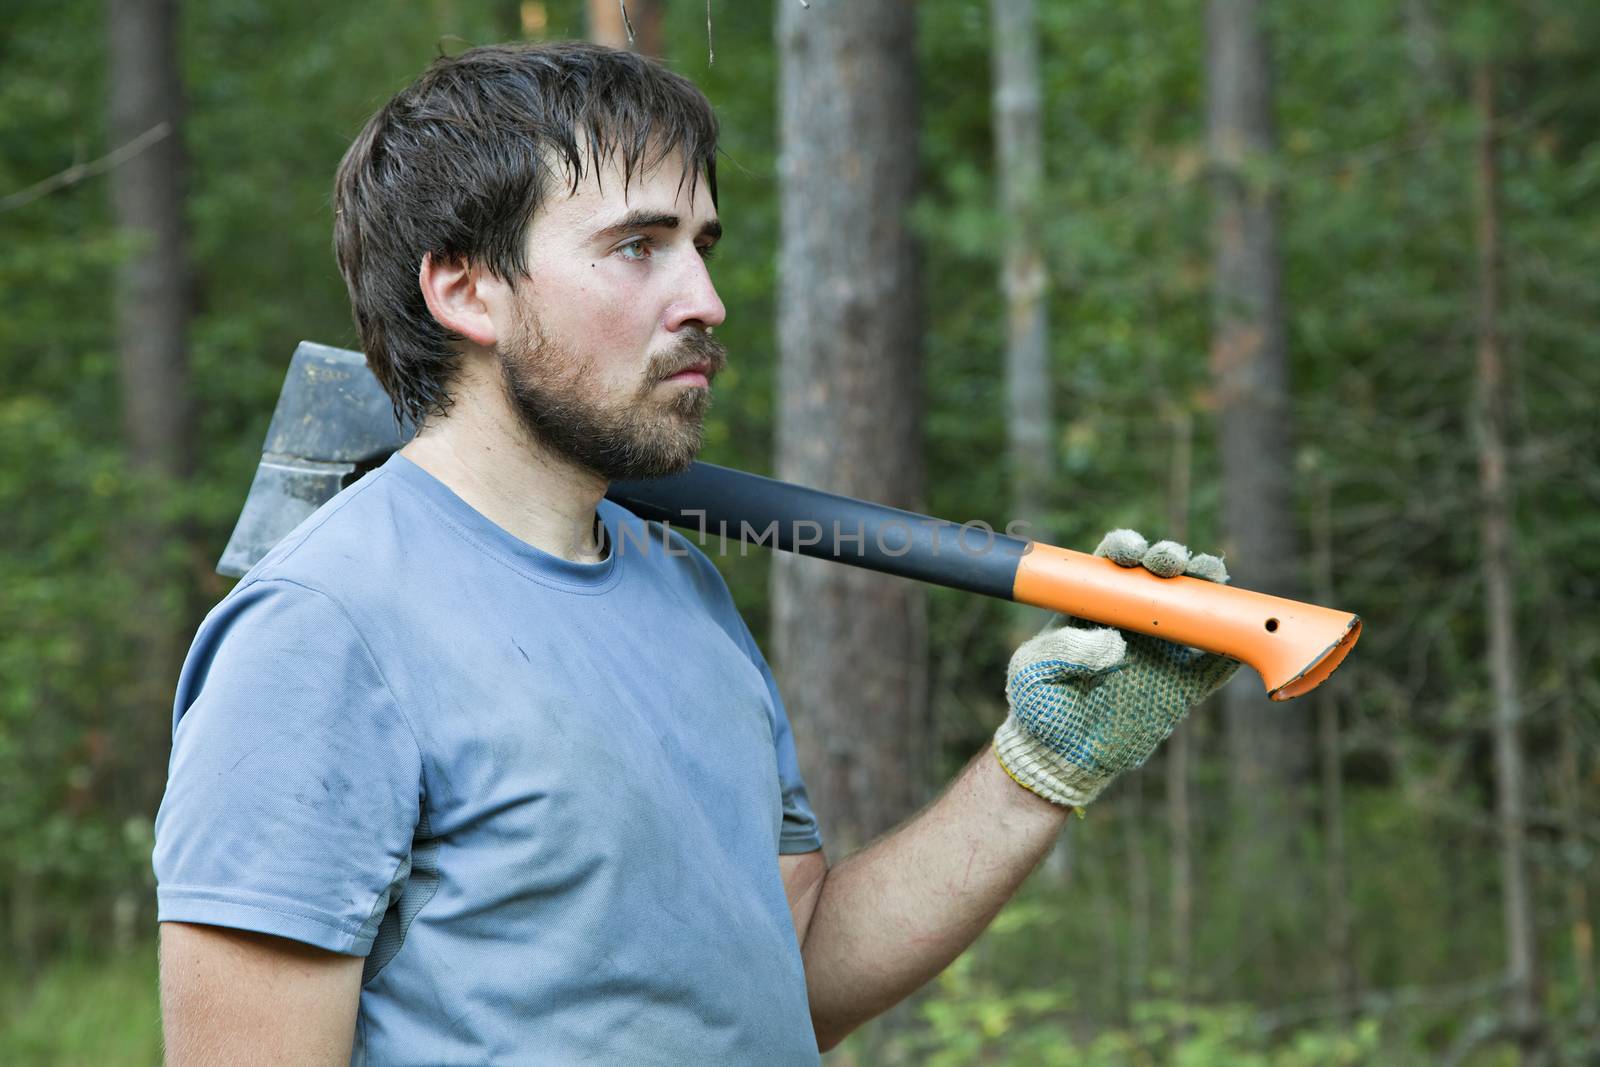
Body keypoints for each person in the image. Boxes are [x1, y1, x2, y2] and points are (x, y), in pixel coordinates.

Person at [152, 41, 1238, 1065]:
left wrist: (1040, 769)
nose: (706, 303)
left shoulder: (678, 585)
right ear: (465, 288)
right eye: (637, 246)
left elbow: (785, 963)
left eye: (701, 246)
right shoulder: (323, 630)